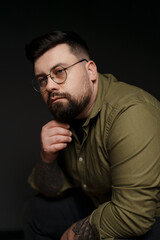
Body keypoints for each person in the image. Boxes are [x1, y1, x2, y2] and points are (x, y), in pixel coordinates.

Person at [24, 30, 160, 240]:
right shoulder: (69, 114)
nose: (49, 85)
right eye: (42, 79)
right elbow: (50, 190)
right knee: (37, 211)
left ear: (91, 71)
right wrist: (46, 158)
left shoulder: (131, 112)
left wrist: (73, 233)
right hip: (100, 202)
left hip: (148, 218)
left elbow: (134, 215)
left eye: (59, 71)